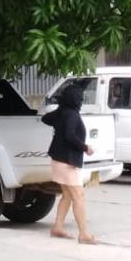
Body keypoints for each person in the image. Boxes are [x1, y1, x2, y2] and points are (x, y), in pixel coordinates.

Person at [42, 84, 96, 245]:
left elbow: (45, 118)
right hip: (67, 161)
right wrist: (85, 147)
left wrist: (59, 117)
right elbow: (70, 135)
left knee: (67, 195)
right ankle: (84, 234)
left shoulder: (62, 112)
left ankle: (57, 227)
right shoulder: (72, 114)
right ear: (76, 99)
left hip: (58, 159)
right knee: (78, 196)